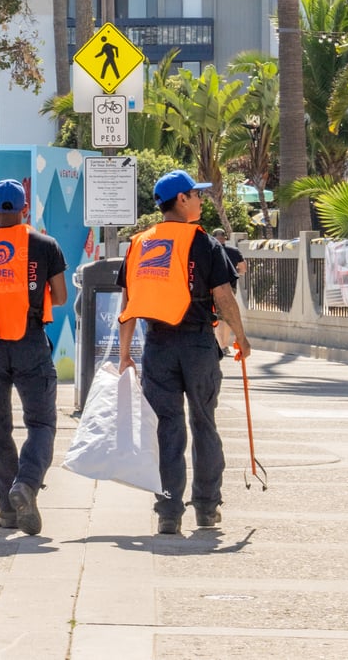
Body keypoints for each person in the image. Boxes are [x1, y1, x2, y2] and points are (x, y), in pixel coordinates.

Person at [116, 170, 251, 535]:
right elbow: (223, 296)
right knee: (204, 422)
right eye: (196, 194)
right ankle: (207, 508)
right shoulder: (203, 242)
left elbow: (128, 301)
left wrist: (124, 353)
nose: (200, 200)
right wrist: (240, 337)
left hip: (157, 345)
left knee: (167, 429)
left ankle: (169, 512)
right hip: (196, 344)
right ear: (180, 200)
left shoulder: (139, 244)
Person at [0, 179, 67, 536]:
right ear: (25, 210)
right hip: (31, 343)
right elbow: (61, 296)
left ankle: (7, 509)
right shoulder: (45, 245)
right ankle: (27, 484)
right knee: (41, 423)